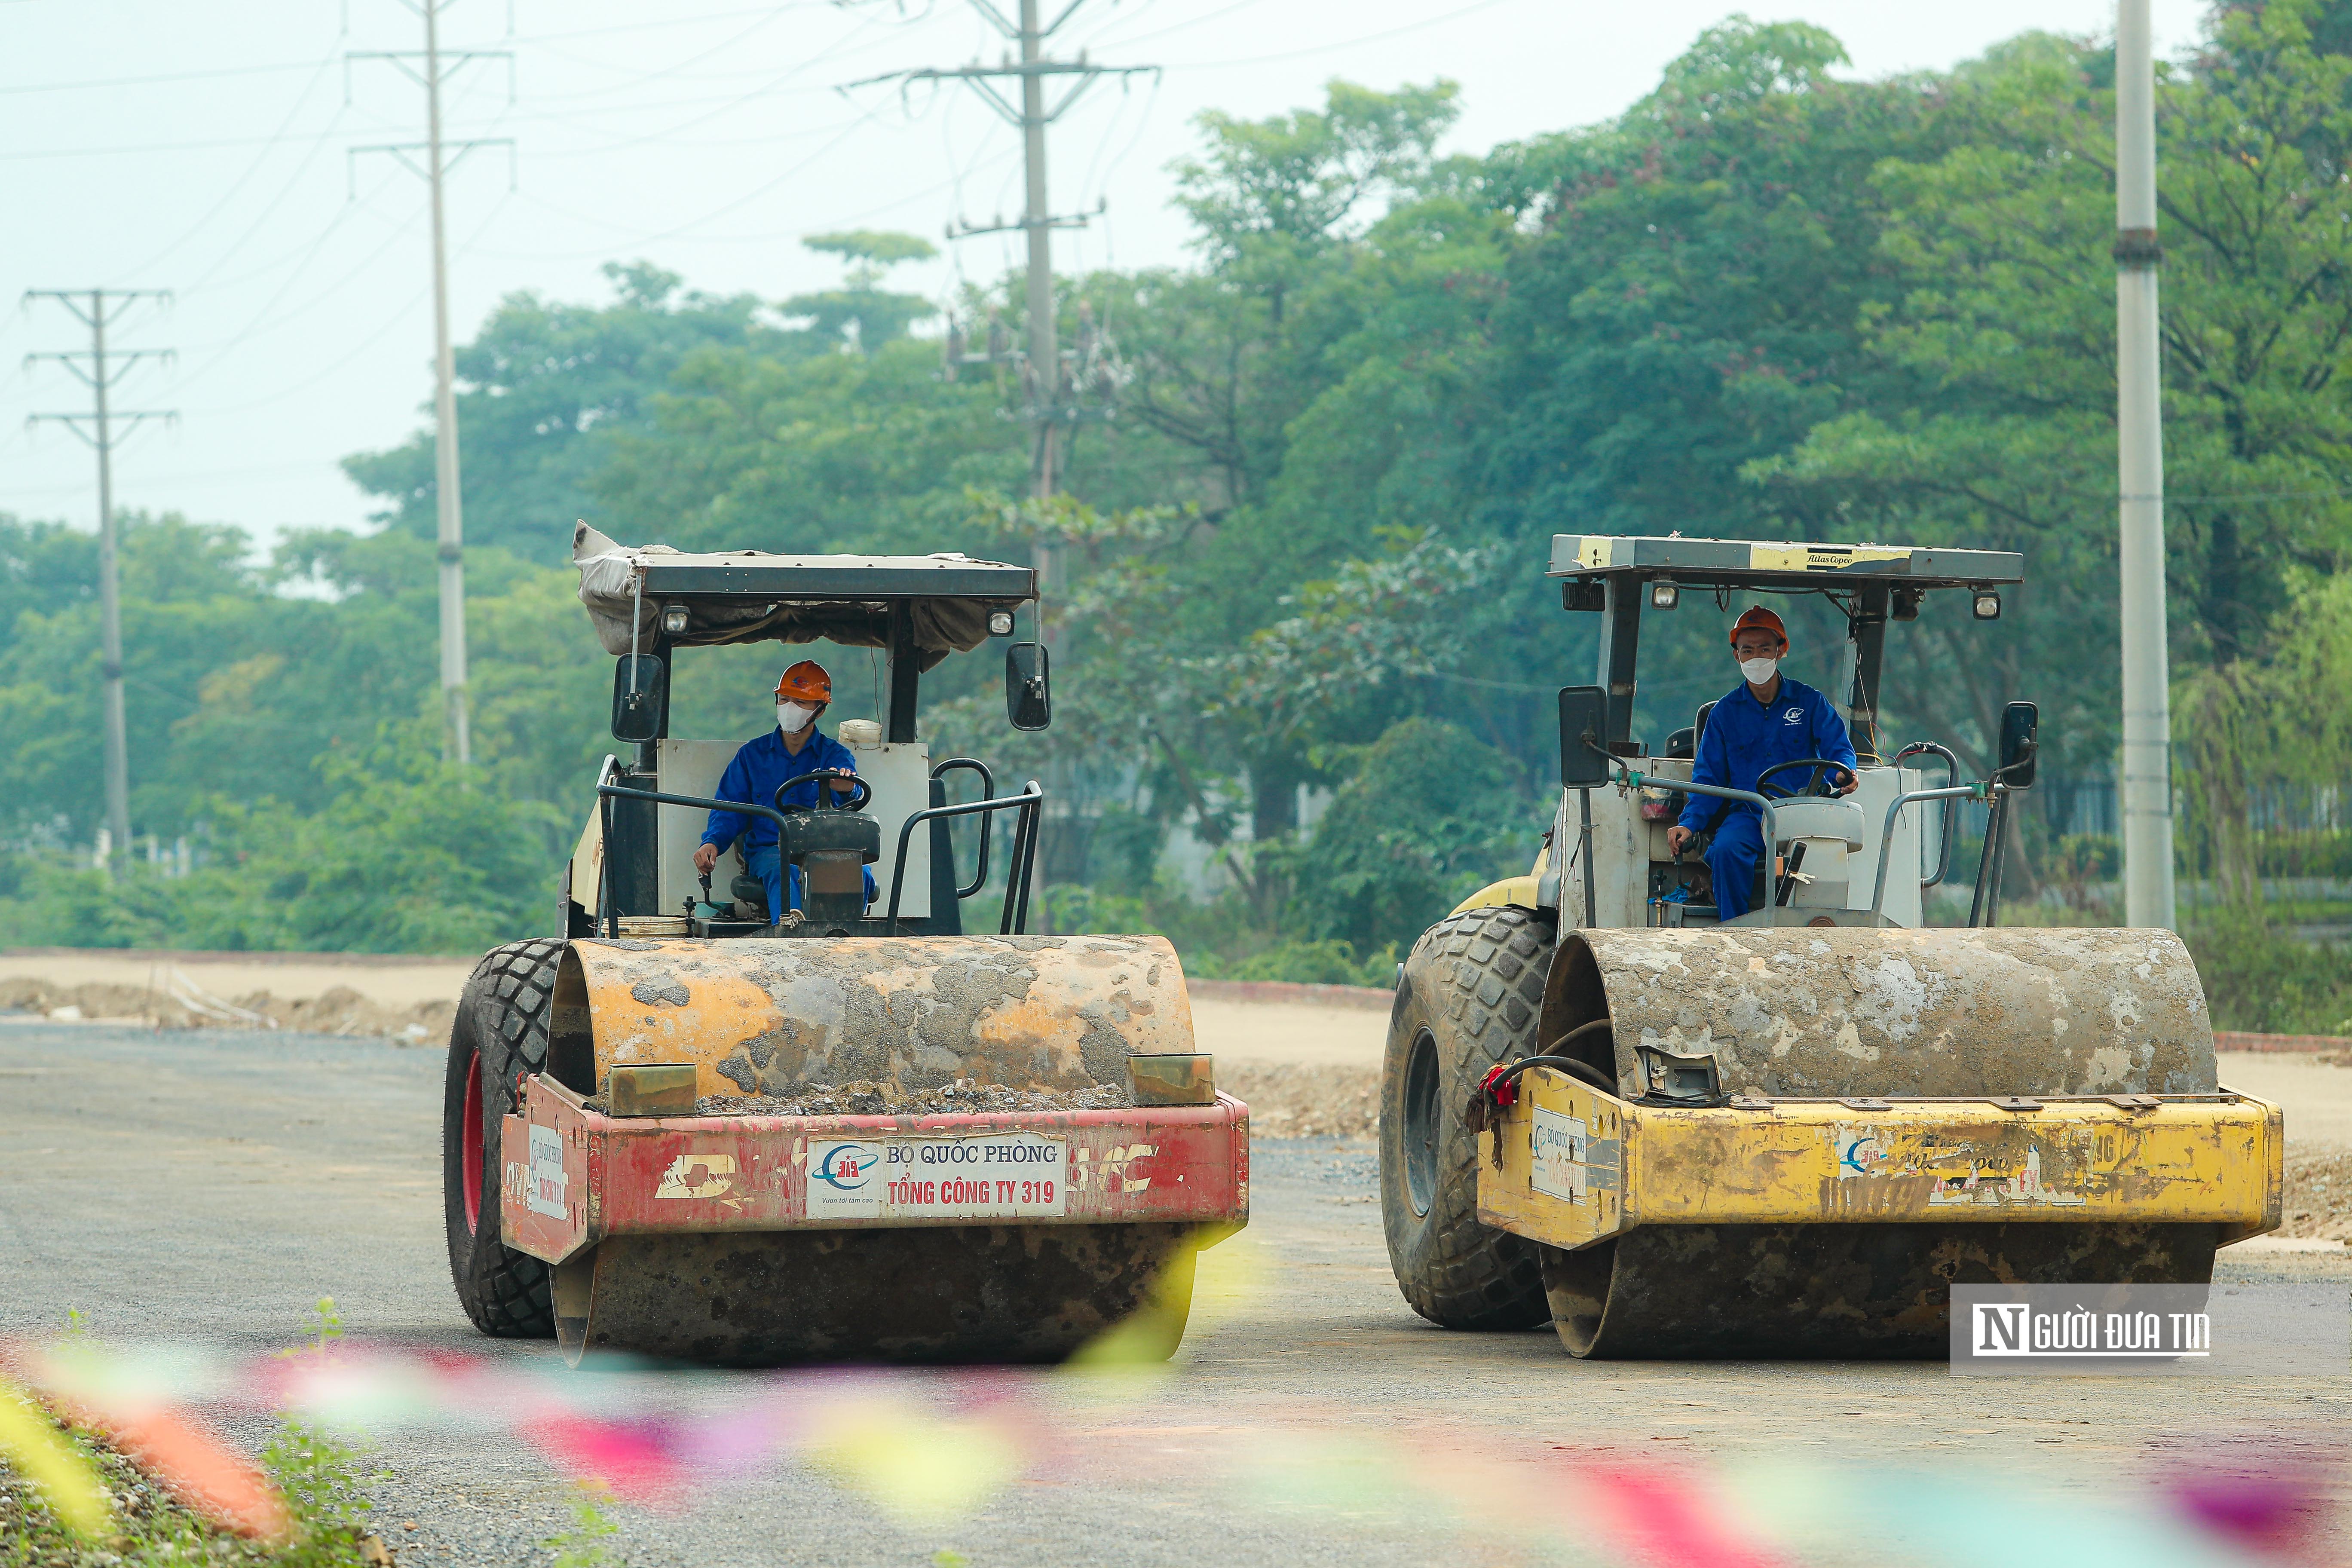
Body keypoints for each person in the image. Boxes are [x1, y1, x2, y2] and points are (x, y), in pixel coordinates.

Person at [1665, 606, 1859, 921]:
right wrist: (1689, 824)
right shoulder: (1724, 714)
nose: (1757, 657)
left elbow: (1839, 750)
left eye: (1765, 649)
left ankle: (1818, 933)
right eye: (1748, 650)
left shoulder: (1809, 702)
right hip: (1749, 814)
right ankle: (1735, 936)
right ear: (1737, 657)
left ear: (1781, 651)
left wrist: (1843, 773)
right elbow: (1708, 780)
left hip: (1801, 811)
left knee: (1826, 856)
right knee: (1727, 850)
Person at [692, 660, 865, 923]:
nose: (789, 708)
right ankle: (789, 934)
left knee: (860, 873)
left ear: (820, 710)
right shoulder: (751, 756)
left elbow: (848, 785)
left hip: (822, 848)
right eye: (784, 699)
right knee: (785, 870)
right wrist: (712, 842)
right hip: (769, 849)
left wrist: (845, 787)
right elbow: (730, 807)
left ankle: (849, 939)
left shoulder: (835, 755)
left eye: (801, 703)